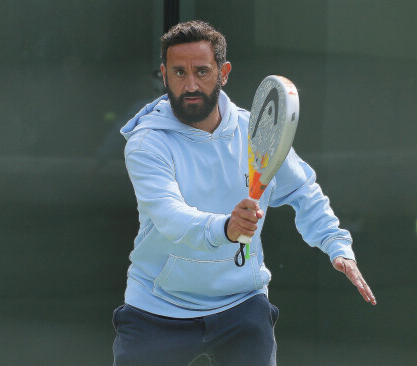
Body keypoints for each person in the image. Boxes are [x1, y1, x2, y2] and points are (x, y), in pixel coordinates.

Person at [112, 20, 376, 366]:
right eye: (178, 72)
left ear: (224, 73)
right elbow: (169, 216)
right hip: (157, 307)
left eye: (202, 71)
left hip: (242, 303)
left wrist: (335, 244)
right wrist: (226, 229)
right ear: (164, 74)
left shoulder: (255, 131)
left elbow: (303, 191)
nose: (190, 84)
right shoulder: (147, 143)